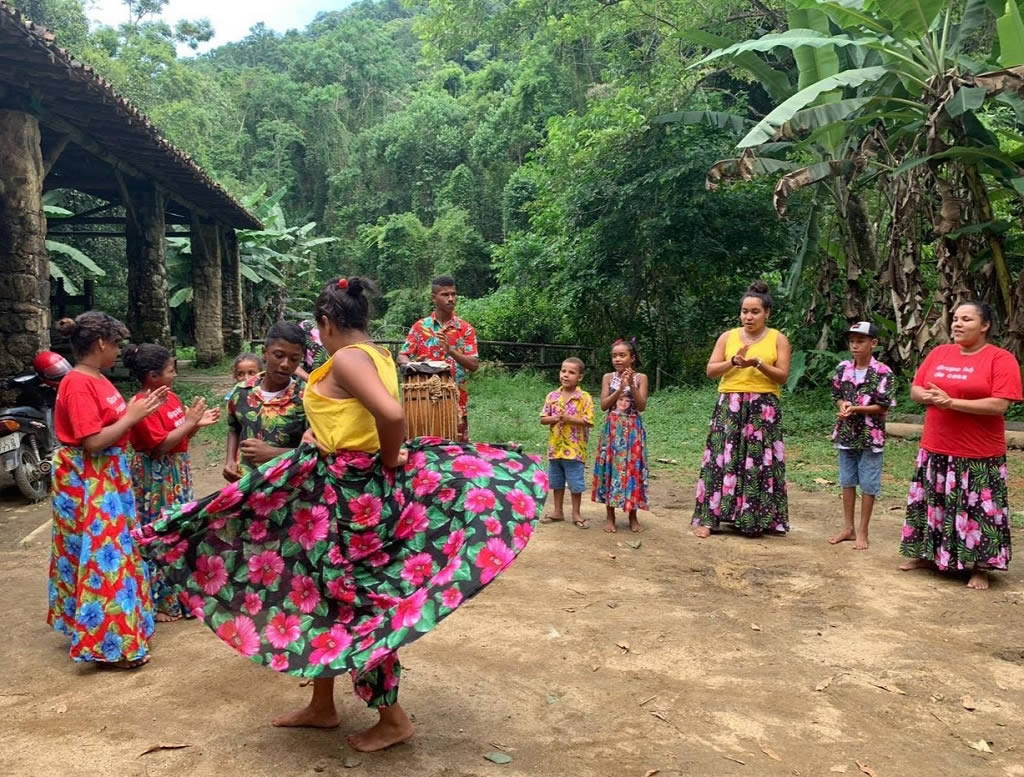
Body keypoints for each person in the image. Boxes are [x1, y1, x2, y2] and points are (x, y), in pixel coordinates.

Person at [135, 276, 547, 752]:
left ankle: (393, 719)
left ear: (327, 322)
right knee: (318, 589)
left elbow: (391, 417)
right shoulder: (375, 354)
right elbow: (351, 418)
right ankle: (322, 704)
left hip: (351, 495)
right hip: (331, 488)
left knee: (353, 600)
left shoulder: (349, 358)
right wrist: (320, 439)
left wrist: (389, 459)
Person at [47, 312, 167, 668]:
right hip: (90, 478)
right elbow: (92, 442)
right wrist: (132, 417)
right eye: (116, 345)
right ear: (101, 344)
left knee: (112, 552)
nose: (119, 353)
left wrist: (134, 414)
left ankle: (106, 629)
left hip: (108, 477)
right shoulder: (78, 383)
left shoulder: (96, 378)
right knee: (104, 559)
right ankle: (110, 647)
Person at [899, 300, 1022, 590]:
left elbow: (1000, 405)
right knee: (933, 504)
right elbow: (916, 390)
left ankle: (980, 568)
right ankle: (928, 556)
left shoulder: (1000, 359)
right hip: (936, 448)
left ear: (985, 325)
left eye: (966, 319)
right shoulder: (940, 353)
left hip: (978, 454)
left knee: (979, 511)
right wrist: (931, 398)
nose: (957, 324)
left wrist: (952, 402)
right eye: (955, 318)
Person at [125, 344, 220, 621]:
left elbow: (179, 439)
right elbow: (160, 447)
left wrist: (195, 424)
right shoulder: (142, 405)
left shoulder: (171, 398)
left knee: (181, 529)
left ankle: (182, 597)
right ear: (153, 375)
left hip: (177, 470)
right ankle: (161, 600)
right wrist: (190, 422)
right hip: (157, 475)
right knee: (160, 529)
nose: (175, 374)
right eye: (170, 370)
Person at [692, 281, 792, 538]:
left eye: (755, 311)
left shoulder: (778, 339)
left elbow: (782, 376)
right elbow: (711, 370)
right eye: (745, 311)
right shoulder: (728, 337)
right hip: (731, 405)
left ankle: (753, 519)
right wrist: (733, 362)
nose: (749, 316)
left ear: (767, 313)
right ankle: (710, 518)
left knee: (757, 462)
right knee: (722, 460)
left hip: (763, 408)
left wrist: (758, 363)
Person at [827, 322, 895, 551]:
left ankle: (863, 530)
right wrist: (843, 404)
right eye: (852, 341)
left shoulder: (883, 372)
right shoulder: (842, 368)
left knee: (868, 483)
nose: (855, 346)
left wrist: (856, 410)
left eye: (860, 341)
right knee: (847, 480)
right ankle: (848, 527)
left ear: (873, 344)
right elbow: (836, 394)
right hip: (846, 433)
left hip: (870, 436)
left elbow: (883, 406)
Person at [398, 275, 479, 442]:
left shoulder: (465, 329)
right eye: (445, 294)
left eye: (453, 294)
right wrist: (412, 365)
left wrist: (451, 350)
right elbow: (402, 355)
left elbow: (473, 365)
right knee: (420, 453)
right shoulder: (420, 327)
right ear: (434, 298)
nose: (451, 299)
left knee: (457, 455)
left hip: (456, 403)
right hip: (421, 402)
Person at [224, 323, 306, 482]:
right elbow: (234, 427)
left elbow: (316, 451)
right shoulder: (241, 392)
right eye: (279, 355)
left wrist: (273, 453)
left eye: (294, 359)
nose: (285, 364)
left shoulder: (306, 398)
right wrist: (230, 460)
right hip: (247, 484)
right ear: (265, 353)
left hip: (287, 489)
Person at [592, 338, 649, 533]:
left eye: (622, 355)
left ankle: (633, 515)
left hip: (633, 429)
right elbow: (603, 405)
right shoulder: (608, 377)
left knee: (633, 470)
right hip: (613, 428)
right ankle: (610, 516)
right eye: (614, 356)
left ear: (632, 358)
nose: (617, 359)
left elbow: (641, 406)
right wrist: (619, 389)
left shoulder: (641, 377)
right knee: (610, 470)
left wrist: (631, 384)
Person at [540, 357, 594, 528]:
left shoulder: (584, 397)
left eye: (571, 372)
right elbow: (543, 419)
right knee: (556, 481)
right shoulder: (552, 396)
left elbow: (589, 421)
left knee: (575, 483)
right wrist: (554, 418)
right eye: (563, 371)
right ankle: (557, 511)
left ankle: (576, 513)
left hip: (575, 450)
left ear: (580, 377)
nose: (566, 375)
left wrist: (569, 419)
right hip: (555, 448)